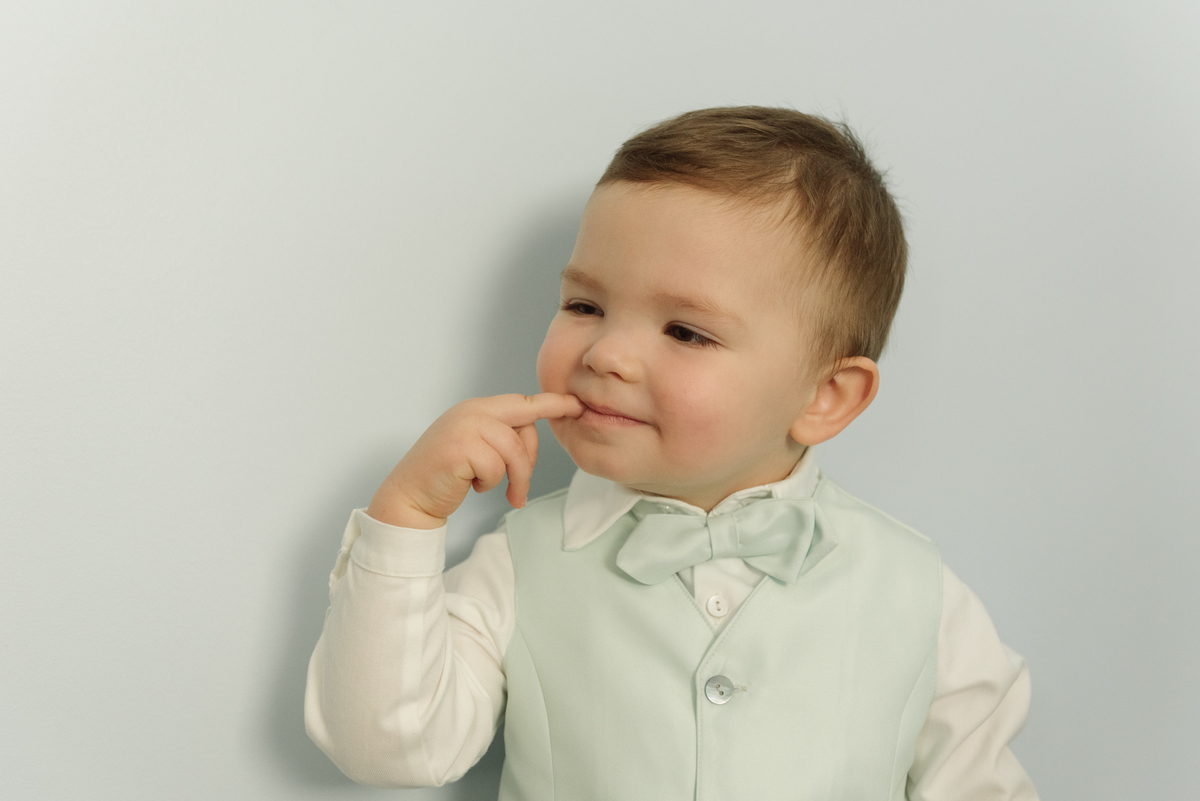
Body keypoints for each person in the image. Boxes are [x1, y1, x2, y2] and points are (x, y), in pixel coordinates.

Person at [304, 107, 1039, 800]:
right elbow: (385, 747)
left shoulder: (921, 596)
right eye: (585, 305)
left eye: (686, 331)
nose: (607, 353)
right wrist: (407, 519)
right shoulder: (517, 565)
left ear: (827, 396)